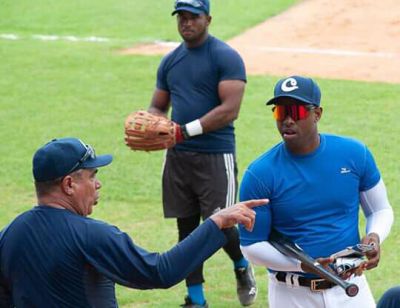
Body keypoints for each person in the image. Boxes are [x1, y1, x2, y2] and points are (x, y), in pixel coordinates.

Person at [0, 137, 267, 307]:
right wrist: (216, 223)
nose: (98, 183)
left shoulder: (8, 235)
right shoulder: (91, 235)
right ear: (69, 184)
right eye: (92, 176)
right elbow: (160, 271)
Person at [238, 76, 394, 308]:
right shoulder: (260, 174)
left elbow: (380, 209)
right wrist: (301, 265)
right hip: (291, 295)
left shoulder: (354, 154)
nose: (288, 120)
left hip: (351, 289)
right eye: (281, 112)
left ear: (317, 114)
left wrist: (375, 236)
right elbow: (251, 246)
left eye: (297, 111)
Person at [147, 0, 255, 307]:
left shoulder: (226, 57)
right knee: (187, 230)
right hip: (178, 157)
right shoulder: (170, 61)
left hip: (215, 155)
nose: (186, 22)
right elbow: (158, 104)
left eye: (193, 16)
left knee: (222, 223)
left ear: (208, 18)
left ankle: (241, 265)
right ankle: (196, 299)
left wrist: (183, 131)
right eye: (181, 17)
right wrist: (154, 121)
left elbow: (229, 110)